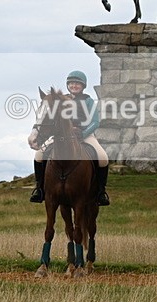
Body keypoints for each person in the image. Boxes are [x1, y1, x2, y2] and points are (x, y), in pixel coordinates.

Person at [29, 70, 110, 206]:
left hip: (85, 135)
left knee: (103, 158)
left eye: (77, 83)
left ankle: (101, 192)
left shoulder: (88, 101)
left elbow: (95, 122)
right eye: (71, 83)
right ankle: (40, 189)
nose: (74, 86)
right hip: (62, 136)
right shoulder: (61, 100)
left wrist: (83, 133)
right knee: (39, 155)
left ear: (83, 86)